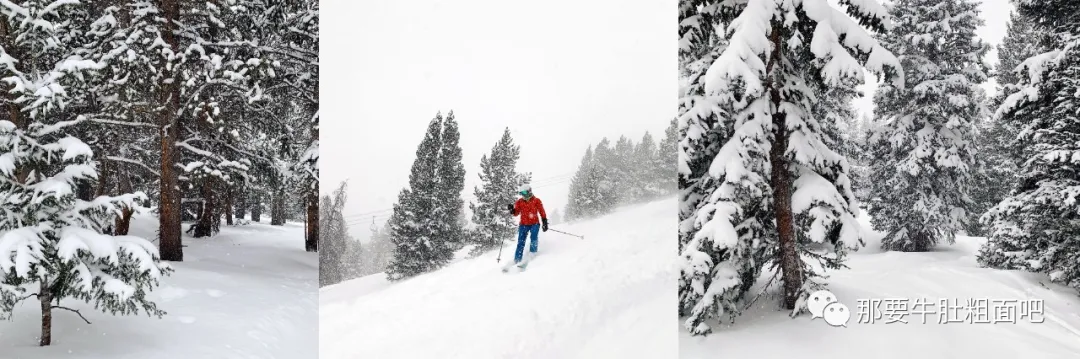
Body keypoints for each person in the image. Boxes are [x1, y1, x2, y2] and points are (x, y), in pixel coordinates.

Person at [506, 184, 548, 265]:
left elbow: (542, 211)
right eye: (521, 193)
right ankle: (517, 260)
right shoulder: (519, 202)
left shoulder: (536, 201)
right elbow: (516, 213)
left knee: (533, 237)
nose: (523, 195)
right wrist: (512, 210)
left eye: (524, 192)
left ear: (529, 191)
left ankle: (532, 255)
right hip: (523, 224)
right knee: (520, 242)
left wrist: (544, 222)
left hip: (534, 224)